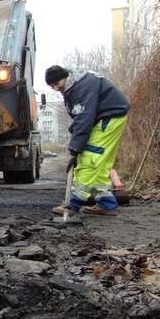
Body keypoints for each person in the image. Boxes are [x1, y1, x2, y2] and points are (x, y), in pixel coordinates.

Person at [45, 65, 129, 216]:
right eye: (52, 86)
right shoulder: (77, 84)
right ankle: (107, 204)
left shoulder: (81, 87)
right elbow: (81, 117)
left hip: (107, 119)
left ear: (63, 77)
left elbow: (84, 117)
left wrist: (75, 149)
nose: (56, 88)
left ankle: (72, 204)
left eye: (56, 84)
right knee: (101, 165)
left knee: (90, 158)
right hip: (109, 118)